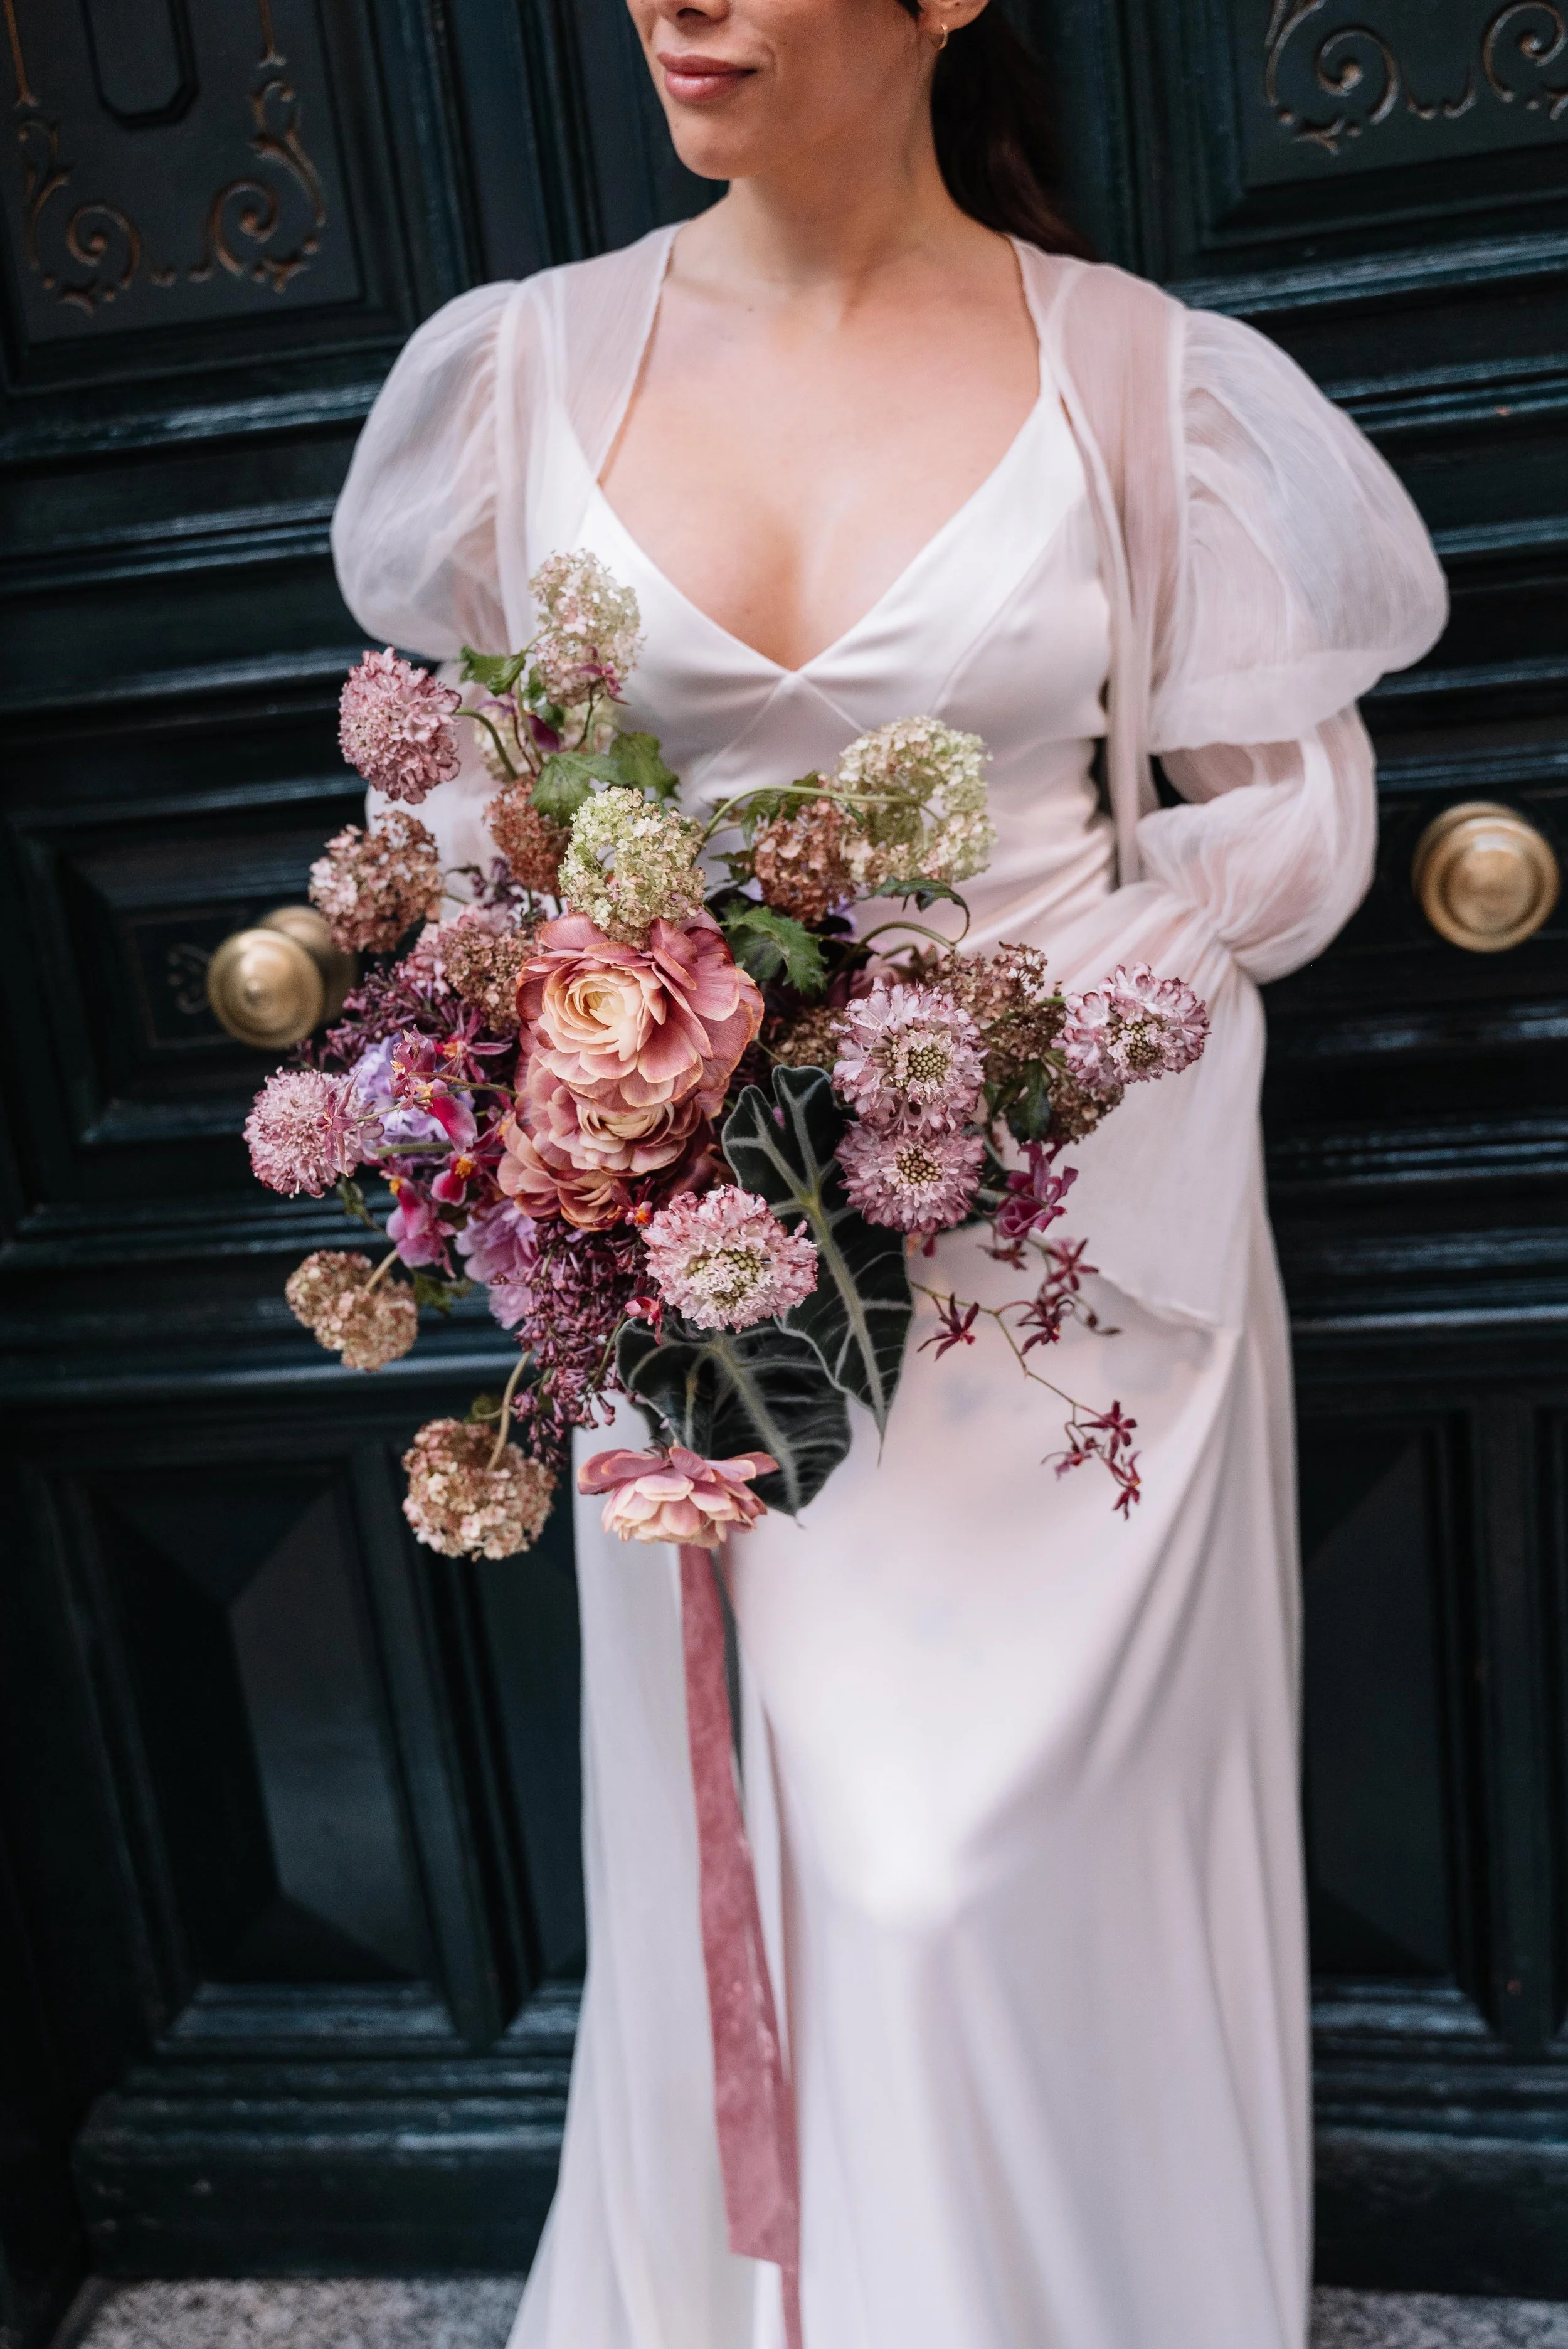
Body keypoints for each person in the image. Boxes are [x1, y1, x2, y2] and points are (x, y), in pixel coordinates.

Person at [331, 0, 1447, 2338]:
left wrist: (1027, 1033)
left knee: (973, 1878)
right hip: (690, 1247)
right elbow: (450, 815)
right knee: (789, 1862)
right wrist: (564, 1062)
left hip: (1071, 1276)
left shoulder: (1143, 385)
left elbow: (1283, 810)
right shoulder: (517, 375)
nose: (678, 4)